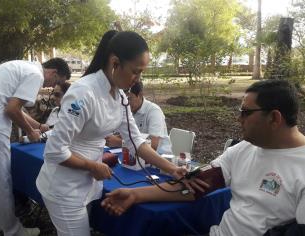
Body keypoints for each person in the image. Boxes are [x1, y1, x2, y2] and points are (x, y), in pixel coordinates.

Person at [102, 79, 305, 236]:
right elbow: (195, 186)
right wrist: (136, 195)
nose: (238, 118)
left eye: (245, 112)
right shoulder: (243, 150)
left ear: (274, 118)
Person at [36, 30, 188, 236]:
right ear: (115, 63)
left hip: (87, 182)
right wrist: (92, 166)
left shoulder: (120, 97)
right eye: (135, 71)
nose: (138, 78)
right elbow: (54, 151)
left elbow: (136, 141)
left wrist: (171, 169)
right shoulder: (83, 94)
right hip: (64, 186)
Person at [0, 58, 71, 236]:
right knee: (1, 182)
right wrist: (30, 131)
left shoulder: (22, 66)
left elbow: (13, 107)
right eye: (56, 82)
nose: (51, 86)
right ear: (54, 73)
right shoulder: (35, 75)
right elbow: (11, 110)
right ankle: (13, 231)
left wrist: (38, 126)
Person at [105, 81, 172, 154]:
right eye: (123, 99)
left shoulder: (154, 111)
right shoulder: (129, 110)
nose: (126, 103)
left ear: (140, 95)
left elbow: (153, 146)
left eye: (129, 98)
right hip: (137, 156)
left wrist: (119, 142)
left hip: (160, 158)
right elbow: (128, 135)